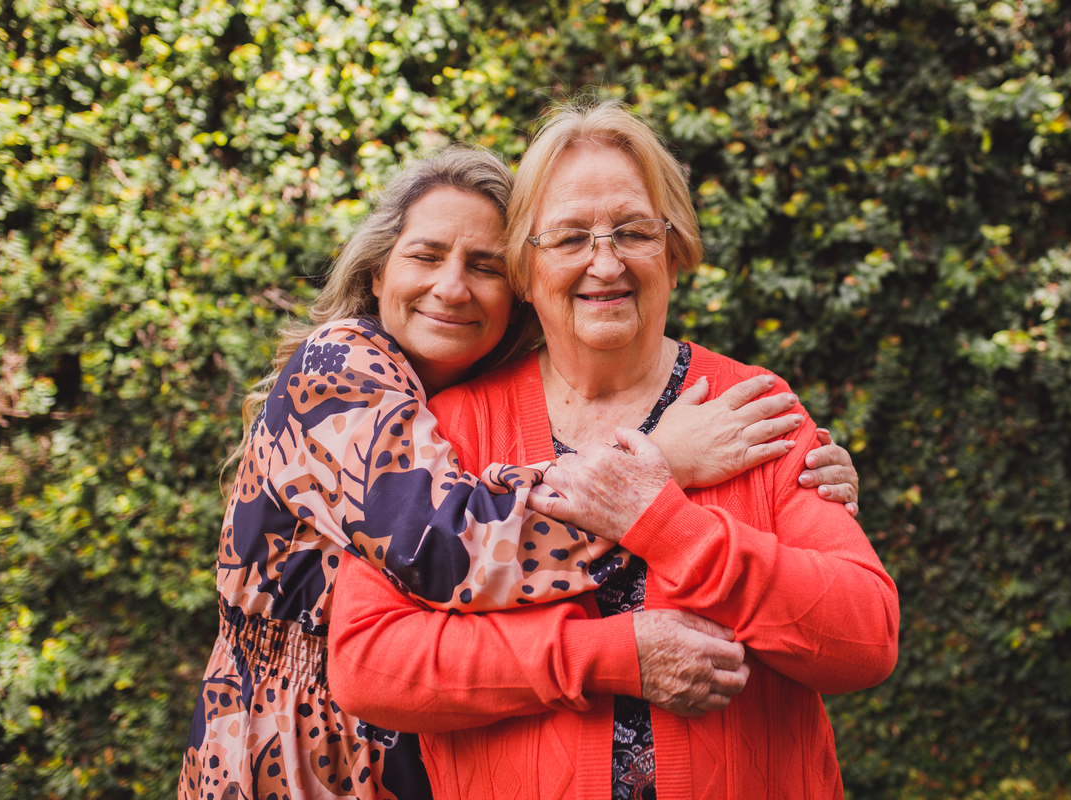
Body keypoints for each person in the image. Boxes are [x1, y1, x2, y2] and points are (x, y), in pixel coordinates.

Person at [328, 101, 899, 800]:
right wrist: (604, 658)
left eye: (633, 231)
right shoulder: (454, 431)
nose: (606, 262)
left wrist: (669, 526)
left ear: (674, 250)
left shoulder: (749, 407)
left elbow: (864, 640)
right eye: (569, 238)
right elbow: (369, 665)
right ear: (525, 273)